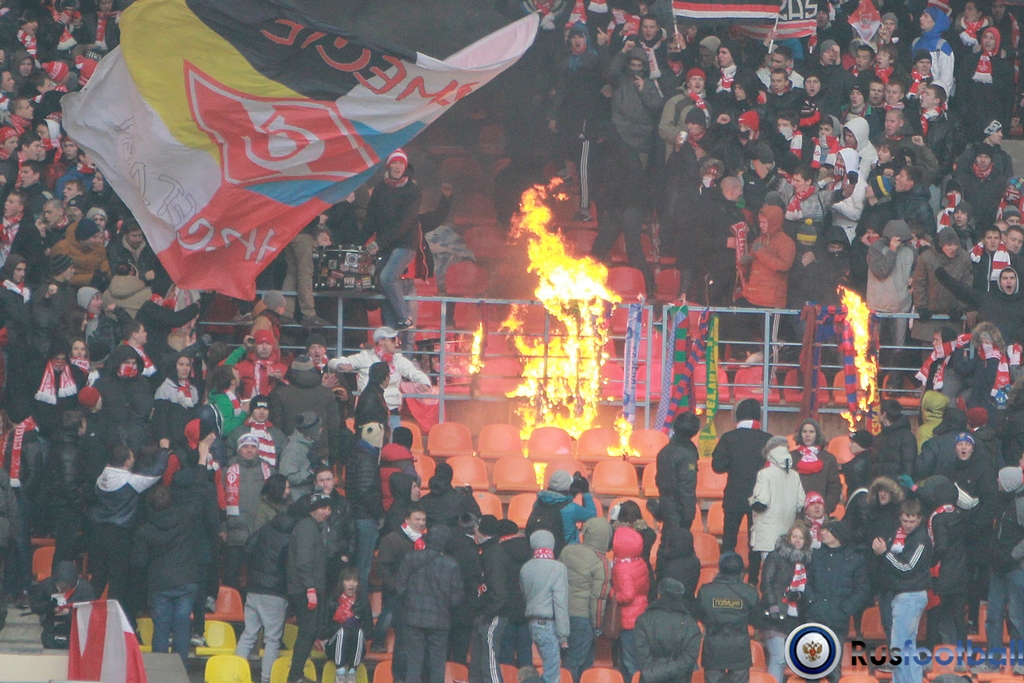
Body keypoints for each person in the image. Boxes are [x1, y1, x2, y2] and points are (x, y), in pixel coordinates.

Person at [88, 444, 168, 605]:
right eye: (131, 457)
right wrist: (164, 450)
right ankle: (113, 616)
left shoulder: (101, 478)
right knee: (117, 580)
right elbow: (156, 472)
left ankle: (84, 613)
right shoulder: (130, 481)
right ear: (126, 462)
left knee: (98, 578)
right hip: (119, 535)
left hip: (98, 532)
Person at [130, 485, 196, 665]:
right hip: (186, 579)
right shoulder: (185, 519)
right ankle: (179, 669)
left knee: (161, 628)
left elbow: (138, 562)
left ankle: (160, 671)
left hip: (159, 584)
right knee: (182, 626)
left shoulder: (145, 530)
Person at [711, 398, 772, 584]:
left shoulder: (728, 438)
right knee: (755, 542)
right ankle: (753, 580)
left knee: (729, 540)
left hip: (734, 496)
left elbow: (718, 466)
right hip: (760, 498)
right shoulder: (767, 439)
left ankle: (726, 578)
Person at [236, 499, 296, 683]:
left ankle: (235, 675)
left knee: (248, 634)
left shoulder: (264, 530)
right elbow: (290, 567)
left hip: (254, 589)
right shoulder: (290, 538)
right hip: (275, 593)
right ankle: (266, 679)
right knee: (272, 639)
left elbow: (247, 548)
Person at [873, 498, 932, 683]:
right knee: (907, 646)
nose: (908, 525)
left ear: (919, 519)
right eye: (905, 520)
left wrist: (885, 553)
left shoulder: (920, 539)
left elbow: (907, 567)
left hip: (911, 595)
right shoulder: (905, 536)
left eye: (912, 521)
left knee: (899, 647)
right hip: (905, 595)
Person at [804, 520, 871, 682]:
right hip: (815, 616)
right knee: (811, 667)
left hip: (838, 621)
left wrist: (846, 609)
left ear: (838, 534)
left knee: (833, 669)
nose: (823, 533)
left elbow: (862, 589)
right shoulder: (814, 556)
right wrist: (812, 602)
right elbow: (805, 581)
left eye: (828, 530)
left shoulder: (855, 559)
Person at [396, 525, 464, 683]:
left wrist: (409, 603)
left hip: (413, 618)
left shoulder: (411, 558)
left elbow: (399, 587)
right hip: (440, 621)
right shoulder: (451, 564)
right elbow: (456, 598)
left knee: (413, 664)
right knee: (437, 664)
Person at [331, 326, 431, 431]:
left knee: (394, 439)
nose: (397, 343)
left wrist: (425, 382)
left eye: (397, 339)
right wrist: (340, 365)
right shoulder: (365, 356)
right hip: (369, 411)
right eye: (393, 339)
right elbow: (333, 362)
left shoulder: (398, 359)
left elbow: (413, 372)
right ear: (381, 341)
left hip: (391, 411)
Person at [364, 149, 422, 330]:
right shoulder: (379, 189)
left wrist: (379, 243)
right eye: (395, 163)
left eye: (401, 164)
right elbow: (370, 219)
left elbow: (404, 224)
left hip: (405, 245)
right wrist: (358, 242)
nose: (398, 167)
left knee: (387, 277)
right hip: (386, 246)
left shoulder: (412, 191)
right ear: (388, 166)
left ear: (405, 167)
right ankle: (389, 329)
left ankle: (405, 318)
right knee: (381, 282)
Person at [979, 466, 1024, 675]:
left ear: (1008, 482)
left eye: (1000, 478)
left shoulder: (1021, 504)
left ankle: (1020, 661)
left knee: (1017, 617)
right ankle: (993, 662)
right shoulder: (1000, 502)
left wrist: (1013, 555)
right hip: (997, 569)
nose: (997, 481)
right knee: (993, 616)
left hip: (1016, 569)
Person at [287, 492, 333, 683]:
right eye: (323, 508)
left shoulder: (313, 527)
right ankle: (295, 675)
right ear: (313, 509)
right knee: (307, 632)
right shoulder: (307, 528)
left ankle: (297, 674)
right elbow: (304, 561)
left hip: (310, 587)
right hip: (304, 589)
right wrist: (310, 588)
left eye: (329, 508)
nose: (327, 512)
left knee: (311, 631)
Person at [759, 522, 814, 683]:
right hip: (775, 614)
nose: (797, 540)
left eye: (801, 537)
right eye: (794, 536)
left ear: (806, 541)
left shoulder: (808, 562)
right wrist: (773, 605)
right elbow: (766, 583)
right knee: (779, 658)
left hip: (795, 616)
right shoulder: (775, 556)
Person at [559, 517, 611, 683]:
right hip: (584, 618)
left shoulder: (567, 551)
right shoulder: (601, 562)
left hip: (562, 614)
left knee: (569, 659)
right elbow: (599, 598)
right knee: (578, 662)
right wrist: (598, 625)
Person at [695, 553, 759, 683]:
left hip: (713, 646)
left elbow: (698, 614)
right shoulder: (749, 592)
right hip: (739, 647)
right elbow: (756, 619)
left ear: (720, 567)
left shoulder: (706, 591)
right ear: (741, 569)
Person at [222, 434, 273, 589]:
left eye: (253, 447)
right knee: (231, 576)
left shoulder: (268, 470)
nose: (249, 450)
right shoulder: (227, 470)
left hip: (260, 532)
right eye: (245, 447)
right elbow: (220, 501)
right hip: (235, 532)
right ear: (239, 450)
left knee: (257, 576)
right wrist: (222, 527)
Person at [520, 530, 569, 683]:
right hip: (549, 624)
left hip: (533, 623)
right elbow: (560, 603)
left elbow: (525, 595)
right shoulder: (558, 568)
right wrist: (563, 634)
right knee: (552, 674)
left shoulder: (525, 568)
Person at [749, 437, 806, 567]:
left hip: (767, 532)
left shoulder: (764, 474)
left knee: (770, 568)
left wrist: (752, 500)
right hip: (788, 530)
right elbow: (800, 503)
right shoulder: (794, 475)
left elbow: (761, 502)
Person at [634, 578, 702, 683]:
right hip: (679, 678)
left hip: (650, 677)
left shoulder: (643, 620)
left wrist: (653, 674)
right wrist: (671, 671)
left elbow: (642, 654)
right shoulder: (691, 624)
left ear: (659, 595)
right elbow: (689, 658)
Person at [470, 515, 512, 683]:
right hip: (486, 612)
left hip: (493, 614)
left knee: (489, 661)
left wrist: (488, 612)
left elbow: (498, 590)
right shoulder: (489, 552)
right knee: (478, 661)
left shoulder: (493, 554)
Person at [526, 470, 596, 556]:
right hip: (567, 553)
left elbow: (556, 501)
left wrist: (571, 494)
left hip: (544, 549)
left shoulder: (538, 503)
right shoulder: (572, 508)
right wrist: (586, 492)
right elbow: (592, 516)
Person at [612, 525, 648, 681]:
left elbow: (627, 595)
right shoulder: (640, 562)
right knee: (634, 659)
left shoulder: (621, 568)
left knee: (629, 661)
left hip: (628, 619)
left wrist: (613, 594)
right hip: (640, 614)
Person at [32, 559, 95, 650]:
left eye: (66, 587)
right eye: (60, 586)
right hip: (51, 629)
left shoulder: (85, 589)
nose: (63, 589)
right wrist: (50, 608)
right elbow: (35, 605)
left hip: (75, 630)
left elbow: (89, 612)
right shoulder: (47, 585)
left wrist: (70, 612)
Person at [655, 411, 699, 536]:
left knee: (667, 541)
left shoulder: (664, 451)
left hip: (665, 503)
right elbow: (686, 486)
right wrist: (688, 514)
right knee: (679, 543)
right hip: (679, 508)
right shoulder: (687, 454)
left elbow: (658, 479)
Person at [790, 418, 842, 513]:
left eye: (811, 432)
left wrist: (826, 508)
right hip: (794, 513)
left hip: (821, 512)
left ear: (817, 434)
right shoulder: (791, 457)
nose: (807, 435)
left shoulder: (828, 459)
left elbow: (834, 487)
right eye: (804, 431)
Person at [279, 412, 324, 502]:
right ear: (312, 430)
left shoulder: (310, 445)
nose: (321, 430)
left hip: (307, 496)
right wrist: (310, 471)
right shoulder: (293, 448)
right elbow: (286, 477)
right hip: (296, 499)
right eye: (319, 428)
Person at [874, 400, 918, 480]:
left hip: (897, 485)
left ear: (884, 414)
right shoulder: (880, 436)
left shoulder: (905, 436)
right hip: (880, 484)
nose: (877, 414)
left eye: (879, 411)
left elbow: (909, 465)